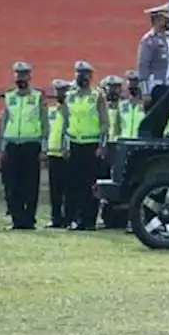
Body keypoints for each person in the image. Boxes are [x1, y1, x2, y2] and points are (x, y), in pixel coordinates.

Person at [0, 61, 48, 230]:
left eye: (24, 75)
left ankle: (29, 219)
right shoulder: (9, 96)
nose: (20, 78)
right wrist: (2, 147)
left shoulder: (37, 96)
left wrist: (44, 147)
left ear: (29, 77)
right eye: (18, 75)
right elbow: (4, 123)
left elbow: (44, 122)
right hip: (12, 145)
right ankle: (16, 219)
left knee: (30, 184)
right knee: (12, 184)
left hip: (31, 145)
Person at [65, 61, 109, 231]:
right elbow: (66, 123)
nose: (81, 77)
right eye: (79, 73)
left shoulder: (97, 96)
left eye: (85, 74)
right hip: (75, 143)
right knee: (74, 185)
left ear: (90, 77)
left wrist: (102, 145)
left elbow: (105, 123)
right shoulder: (70, 96)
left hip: (91, 145)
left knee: (90, 185)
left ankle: (89, 220)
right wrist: (65, 145)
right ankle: (76, 219)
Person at [44, 80, 71, 229]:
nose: (59, 94)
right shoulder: (51, 110)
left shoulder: (72, 110)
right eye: (57, 91)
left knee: (68, 189)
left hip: (66, 154)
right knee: (54, 190)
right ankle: (55, 218)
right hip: (53, 153)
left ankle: (67, 218)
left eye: (62, 91)